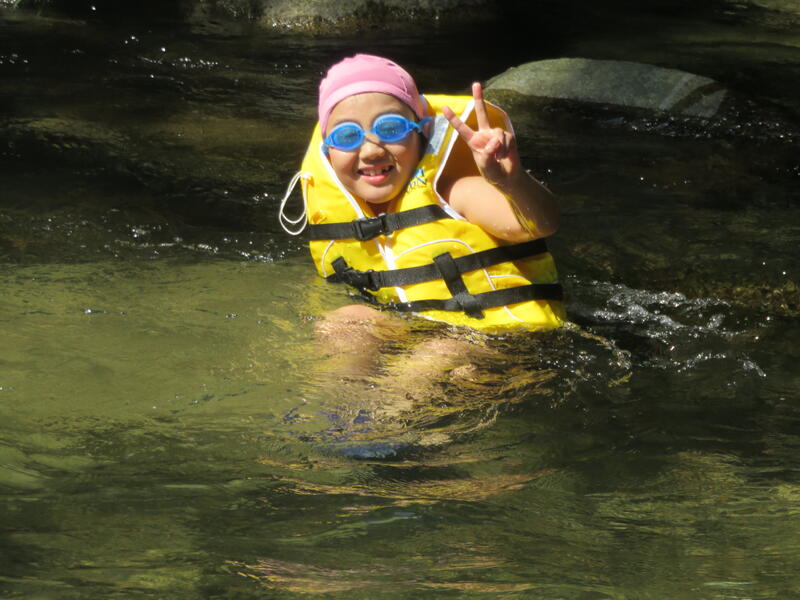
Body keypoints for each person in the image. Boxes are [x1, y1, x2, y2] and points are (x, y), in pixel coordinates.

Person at [280, 53, 565, 344]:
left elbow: (539, 225)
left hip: (502, 341)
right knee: (347, 322)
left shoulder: (454, 191)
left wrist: (510, 181)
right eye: (346, 136)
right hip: (416, 334)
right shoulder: (338, 221)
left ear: (423, 132)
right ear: (327, 152)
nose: (371, 150)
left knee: (443, 348)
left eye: (390, 128)